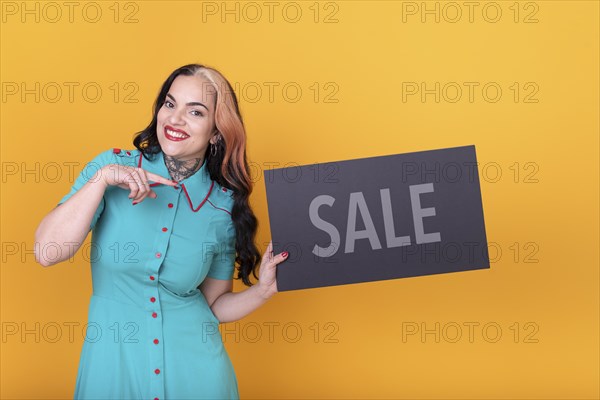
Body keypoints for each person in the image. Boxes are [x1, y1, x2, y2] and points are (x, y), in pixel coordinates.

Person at [34, 63, 289, 400]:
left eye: (195, 112)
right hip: (113, 371)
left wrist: (263, 291)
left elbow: (213, 305)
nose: (175, 119)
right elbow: (47, 252)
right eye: (170, 104)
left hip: (197, 377)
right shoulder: (111, 168)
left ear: (216, 131)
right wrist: (103, 179)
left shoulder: (223, 207)